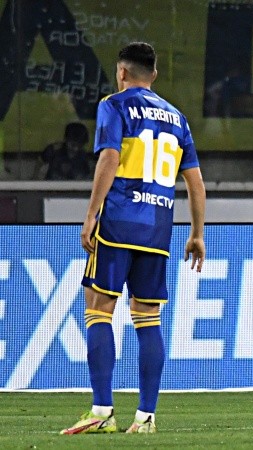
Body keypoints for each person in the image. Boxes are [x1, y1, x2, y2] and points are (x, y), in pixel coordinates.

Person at [61, 42, 206, 435]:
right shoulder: (178, 118)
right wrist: (196, 233)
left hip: (120, 221)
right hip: (157, 230)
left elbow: (108, 158)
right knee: (148, 318)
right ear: (154, 75)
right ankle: (145, 418)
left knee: (98, 308)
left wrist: (91, 214)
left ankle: (102, 410)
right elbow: (195, 181)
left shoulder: (115, 104)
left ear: (121, 72)